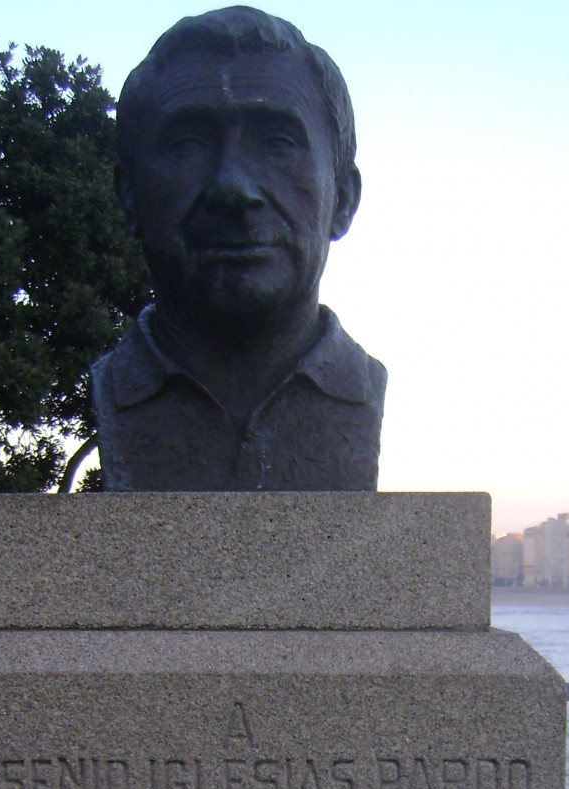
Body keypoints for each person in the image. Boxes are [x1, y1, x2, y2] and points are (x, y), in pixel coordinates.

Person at [91, 6, 386, 491]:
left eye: (277, 142)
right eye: (189, 143)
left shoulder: (361, 392)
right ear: (129, 197)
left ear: (344, 199)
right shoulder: (115, 390)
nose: (233, 186)